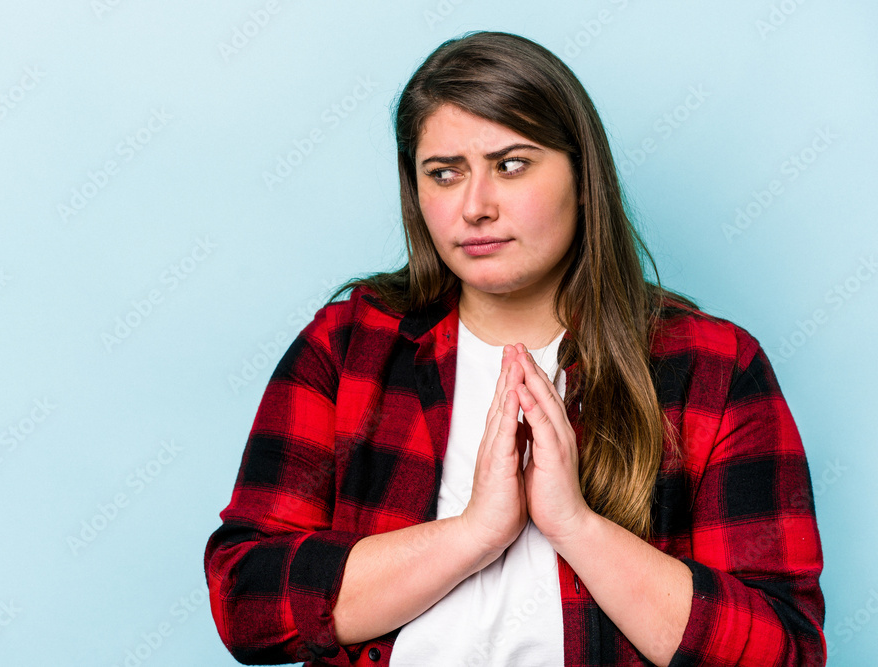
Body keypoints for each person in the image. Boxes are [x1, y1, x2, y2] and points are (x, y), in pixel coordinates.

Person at [204, 30, 826, 667]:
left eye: (511, 165)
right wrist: (473, 534)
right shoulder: (347, 346)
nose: (475, 207)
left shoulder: (713, 367)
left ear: (582, 178)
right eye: (444, 174)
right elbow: (245, 602)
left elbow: (784, 652)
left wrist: (575, 525)